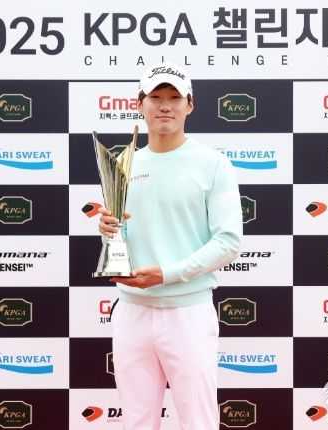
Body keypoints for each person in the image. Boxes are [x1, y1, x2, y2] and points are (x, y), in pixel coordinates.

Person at [98, 63, 243, 430]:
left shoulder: (213, 164)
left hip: (188, 313)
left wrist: (167, 274)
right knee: (136, 422)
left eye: (175, 97)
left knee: (198, 421)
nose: (165, 106)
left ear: (189, 105)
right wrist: (109, 232)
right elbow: (124, 236)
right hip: (132, 311)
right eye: (156, 97)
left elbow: (228, 242)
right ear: (140, 104)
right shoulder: (124, 164)